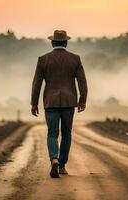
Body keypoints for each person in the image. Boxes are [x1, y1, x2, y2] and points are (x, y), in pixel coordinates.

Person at [31, 30, 88, 178]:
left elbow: (37, 83)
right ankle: (62, 165)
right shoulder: (75, 59)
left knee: (52, 133)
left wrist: (34, 103)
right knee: (66, 133)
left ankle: (54, 159)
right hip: (69, 102)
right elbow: (82, 81)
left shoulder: (43, 59)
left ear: (52, 42)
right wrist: (82, 100)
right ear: (66, 43)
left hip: (51, 102)